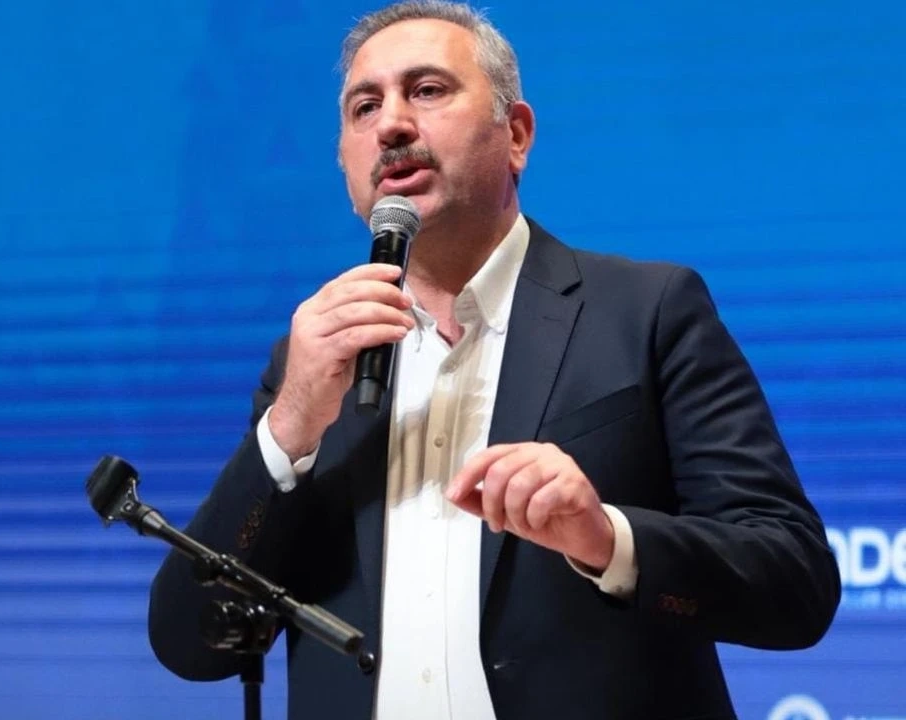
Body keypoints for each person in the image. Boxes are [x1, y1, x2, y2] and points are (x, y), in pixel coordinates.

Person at [147, 2, 841, 718]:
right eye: (364, 107)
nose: (391, 125)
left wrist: (607, 539)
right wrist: (290, 423)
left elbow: (795, 582)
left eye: (427, 90)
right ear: (346, 166)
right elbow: (189, 644)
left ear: (515, 134)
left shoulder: (648, 311)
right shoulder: (314, 362)